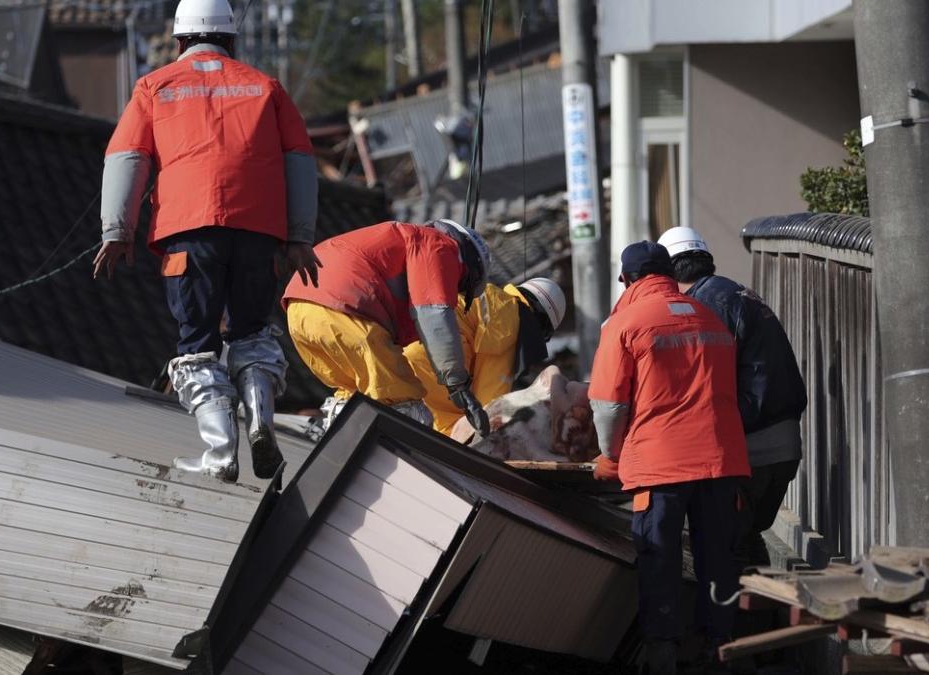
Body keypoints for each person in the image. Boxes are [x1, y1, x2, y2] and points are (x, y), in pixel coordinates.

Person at [94, 0, 320, 483]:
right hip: (260, 232)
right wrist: (300, 237)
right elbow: (300, 158)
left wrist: (118, 231)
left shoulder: (154, 87)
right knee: (252, 333)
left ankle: (220, 454)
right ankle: (260, 418)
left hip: (189, 232)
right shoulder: (266, 87)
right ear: (232, 39)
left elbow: (127, 157)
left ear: (178, 41)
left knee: (196, 344)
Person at [589, 241, 751, 674]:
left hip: (660, 465)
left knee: (659, 557)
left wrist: (610, 454)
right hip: (720, 460)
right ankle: (721, 652)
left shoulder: (626, 323)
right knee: (718, 558)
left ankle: (663, 656)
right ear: (669, 271)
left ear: (627, 279)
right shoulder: (710, 317)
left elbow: (608, 404)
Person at [658, 226, 808, 567]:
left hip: (748, 449)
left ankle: (741, 618)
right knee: (745, 538)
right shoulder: (737, 292)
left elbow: (704, 381)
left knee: (724, 550)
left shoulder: (701, 306)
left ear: (668, 273)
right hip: (783, 446)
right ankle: (763, 614)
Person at [282, 219, 493, 437]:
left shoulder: (398, 240)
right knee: (406, 407)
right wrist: (457, 383)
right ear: (468, 266)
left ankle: (342, 450)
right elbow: (434, 313)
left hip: (300, 312)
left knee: (355, 398)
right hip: (345, 310)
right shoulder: (438, 244)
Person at [403, 278, 566, 436]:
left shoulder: (492, 297)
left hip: (405, 351)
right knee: (456, 433)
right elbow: (490, 405)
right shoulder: (512, 323)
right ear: (541, 326)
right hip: (431, 365)